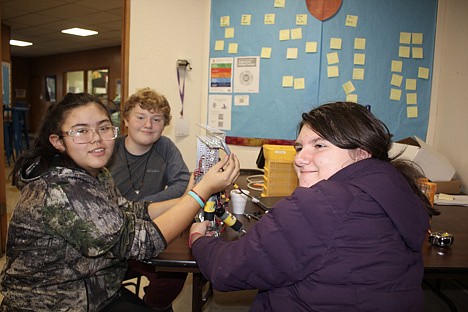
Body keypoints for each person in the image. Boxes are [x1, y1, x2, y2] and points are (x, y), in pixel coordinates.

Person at [0, 93, 240, 311]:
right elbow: (140, 242)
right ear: (58, 142)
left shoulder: (97, 173)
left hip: (97, 289)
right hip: (56, 303)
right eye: (81, 131)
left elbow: (130, 210)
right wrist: (199, 194)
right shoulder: (61, 189)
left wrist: (189, 195)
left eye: (103, 128)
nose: (97, 139)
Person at [189, 101, 436, 312]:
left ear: (361, 153)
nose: (299, 158)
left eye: (319, 145)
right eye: (299, 147)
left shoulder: (324, 203)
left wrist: (199, 240)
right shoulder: (397, 188)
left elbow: (228, 270)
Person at [107, 88, 190, 311]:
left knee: (174, 275)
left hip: (150, 230)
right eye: (140, 117)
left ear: (164, 125)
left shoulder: (165, 147)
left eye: (156, 119)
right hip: (113, 236)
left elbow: (183, 183)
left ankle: (152, 305)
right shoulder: (108, 150)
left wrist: (145, 205)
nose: (148, 125)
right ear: (125, 120)